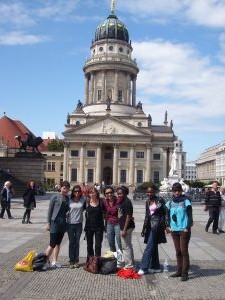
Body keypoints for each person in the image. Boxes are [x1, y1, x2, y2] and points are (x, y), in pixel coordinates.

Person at [165, 182, 193, 281]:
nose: (176, 193)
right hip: (174, 230)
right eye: (174, 191)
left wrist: (188, 227)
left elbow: (190, 215)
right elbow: (167, 215)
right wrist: (168, 226)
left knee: (183, 251)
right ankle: (179, 271)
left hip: (184, 230)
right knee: (178, 251)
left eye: (178, 191)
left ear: (181, 191)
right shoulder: (170, 202)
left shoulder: (186, 201)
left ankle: (185, 273)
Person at [138, 184, 167, 275]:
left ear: (155, 192)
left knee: (149, 247)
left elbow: (165, 212)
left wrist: (166, 225)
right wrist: (143, 229)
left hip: (157, 226)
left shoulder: (160, 200)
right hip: (150, 226)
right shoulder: (147, 201)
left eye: (151, 192)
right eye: (148, 192)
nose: (149, 193)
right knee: (153, 247)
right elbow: (147, 216)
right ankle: (156, 266)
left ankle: (143, 267)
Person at [45, 181, 70, 268]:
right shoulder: (55, 197)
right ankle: (44, 261)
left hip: (63, 223)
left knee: (58, 243)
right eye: (64, 188)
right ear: (61, 188)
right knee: (52, 243)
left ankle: (54, 261)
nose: (65, 190)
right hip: (54, 222)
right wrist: (48, 223)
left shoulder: (67, 198)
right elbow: (50, 211)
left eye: (67, 189)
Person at [67, 185, 85, 268]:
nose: (77, 192)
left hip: (79, 224)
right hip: (70, 224)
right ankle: (71, 260)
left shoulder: (83, 200)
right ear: (73, 192)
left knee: (77, 243)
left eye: (78, 191)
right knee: (71, 243)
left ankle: (76, 260)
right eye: (75, 191)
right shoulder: (69, 200)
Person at [84, 186, 105, 261]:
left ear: (96, 193)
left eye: (93, 192)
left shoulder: (101, 202)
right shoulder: (86, 202)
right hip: (89, 227)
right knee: (89, 245)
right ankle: (90, 260)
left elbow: (107, 211)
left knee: (98, 245)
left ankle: (97, 261)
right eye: (90, 193)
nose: (91, 194)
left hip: (99, 227)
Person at [116, 185, 135, 269]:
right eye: (118, 193)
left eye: (121, 193)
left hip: (126, 227)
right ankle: (131, 263)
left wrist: (124, 229)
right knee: (128, 246)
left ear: (125, 193)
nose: (119, 195)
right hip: (123, 226)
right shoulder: (122, 201)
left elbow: (128, 216)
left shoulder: (127, 201)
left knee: (125, 247)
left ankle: (129, 266)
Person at [103, 186, 122, 253]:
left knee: (119, 243)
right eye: (107, 193)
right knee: (111, 243)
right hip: (109, 224)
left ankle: (120, 261)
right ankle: (114, 259)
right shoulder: (104, 202)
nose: (109, 194)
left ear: (113, 192)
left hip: (118, 224)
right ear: (105, 194)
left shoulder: (118, 200)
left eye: (111, 192)